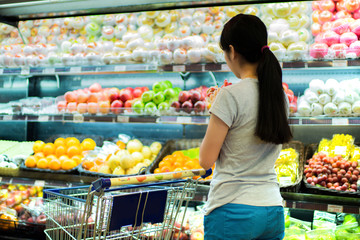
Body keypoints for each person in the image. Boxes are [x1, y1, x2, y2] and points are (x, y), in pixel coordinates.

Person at [199, 14, 292, 240]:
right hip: (272, 209)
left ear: (232, 51)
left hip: (232, 210)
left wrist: (215, 111)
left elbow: (205, 160)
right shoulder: (280, 96)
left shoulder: (229, 95)